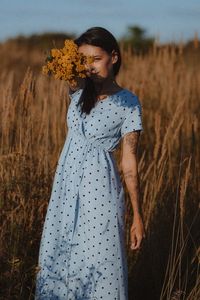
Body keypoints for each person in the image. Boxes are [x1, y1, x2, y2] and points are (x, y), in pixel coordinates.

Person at [35, 26, 146, 300]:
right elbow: (65, 68)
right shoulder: (78, 90)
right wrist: (70, 62)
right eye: (84, 60)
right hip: (65, 188)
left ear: (114, 57)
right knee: (61, 257)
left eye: (97, 59)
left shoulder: (129, 103)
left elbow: (129, 164)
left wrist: (138, 215)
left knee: (100, 261)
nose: (90, 67)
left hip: (100, 192)